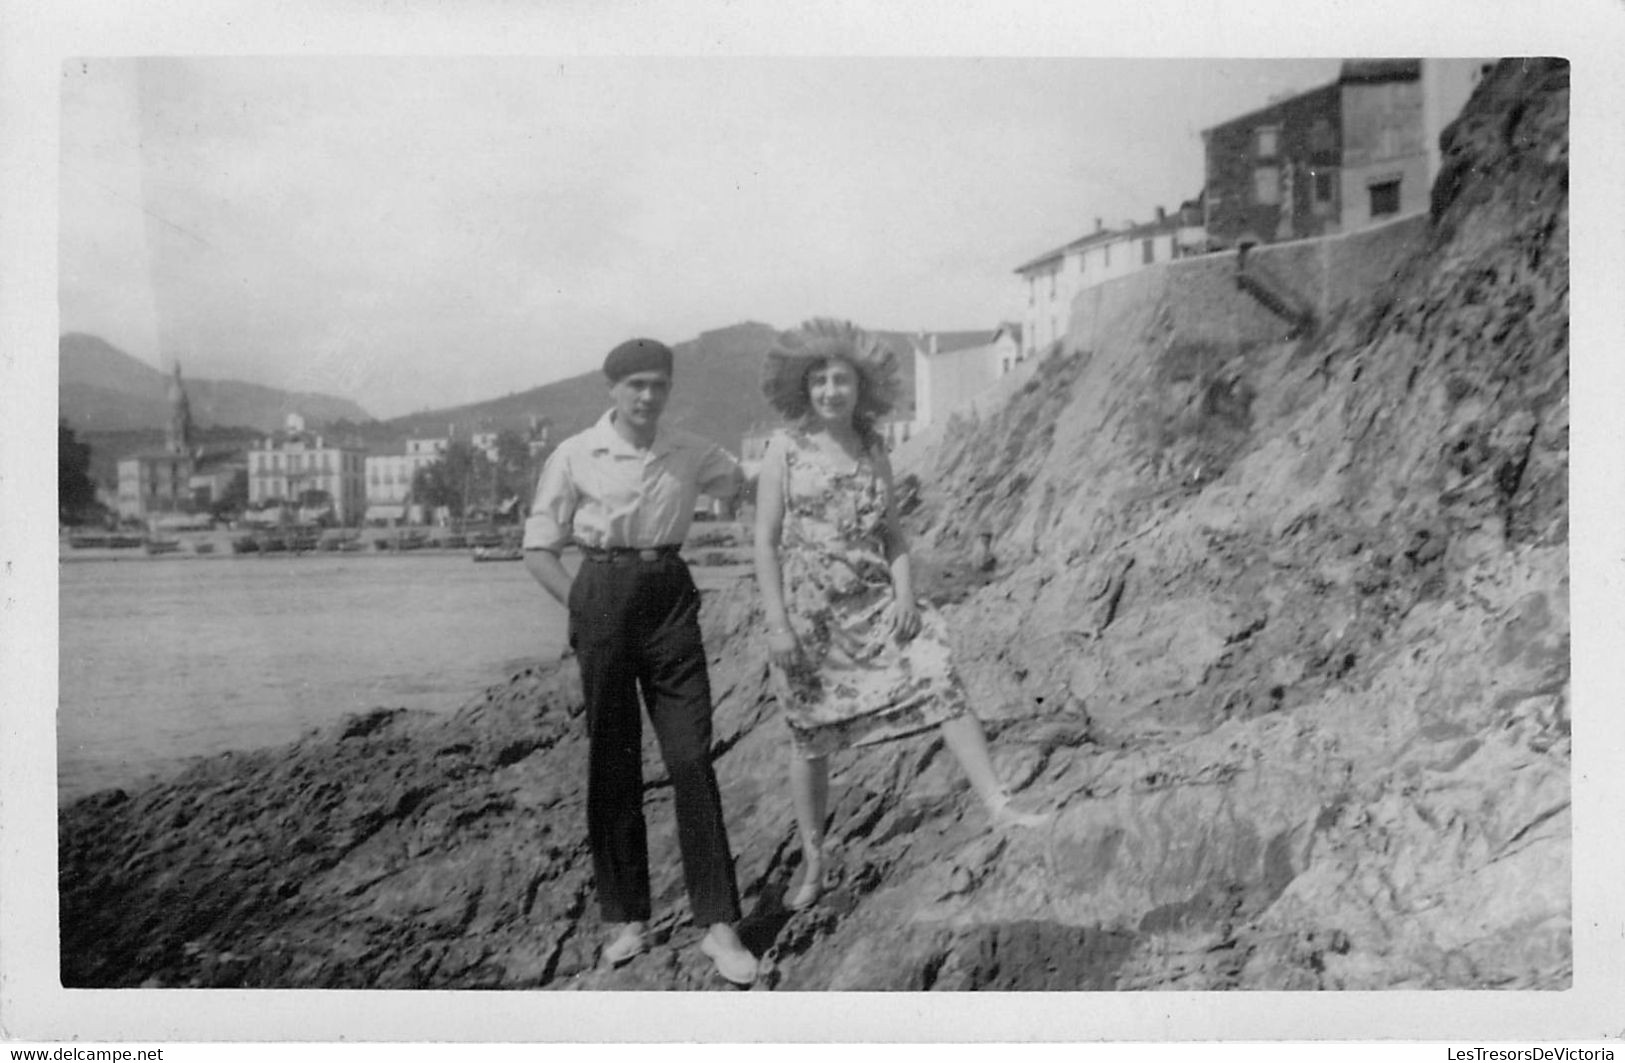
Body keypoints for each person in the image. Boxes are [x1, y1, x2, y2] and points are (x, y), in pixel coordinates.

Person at [752, 319, 1047, 912]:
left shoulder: (873, 449)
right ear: (804, 390)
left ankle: (998, 804)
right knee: (809, 736)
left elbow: (893, 536)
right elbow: (764, 539)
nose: (831, 390)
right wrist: (778, 623)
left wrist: (907, 597)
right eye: (819, 381)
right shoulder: (784, 449)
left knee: (941, 677)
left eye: (841, 380)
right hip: (810, 619)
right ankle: (815, 860)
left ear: (860, 388)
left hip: (876, 603)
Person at [522, 337, 758, 986]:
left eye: (658, 384)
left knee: (689, 755)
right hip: (600, 591)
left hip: (670, 599)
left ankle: (719, 922)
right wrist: (582, 605)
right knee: (615, 758)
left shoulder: (689, 450)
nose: (648, 395)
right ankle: (626, 917)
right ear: (613, 389)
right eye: (636, 385)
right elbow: (538, 546)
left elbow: (749, 483)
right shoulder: (574, 454)